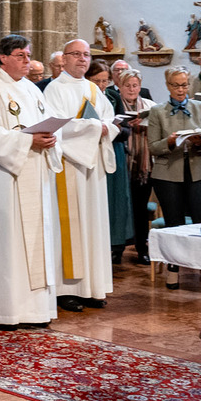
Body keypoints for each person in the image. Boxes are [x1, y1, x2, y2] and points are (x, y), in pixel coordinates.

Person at [0, 34, 63, 328]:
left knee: (35, 244)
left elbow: (49, 121)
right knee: (7, 245)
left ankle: (35, 310)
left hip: (35, 173)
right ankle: (2, 310)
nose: (27, 61)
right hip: (4, 180)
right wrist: (27, 141)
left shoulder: (32, 90)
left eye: (28, 55)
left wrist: (50, 138)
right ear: (3, 58)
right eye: (21, 55)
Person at [44, 39, 119, 312]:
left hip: (92, 165)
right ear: (64, 59)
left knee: (93, 224)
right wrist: (95, 128)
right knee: (70, 226)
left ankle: (92, 288)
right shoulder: (54, 89)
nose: (82, 59)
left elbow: (110, 118)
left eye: (86, 54)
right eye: (76, 54)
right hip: (69, 165)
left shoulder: (92, 88)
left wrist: (105, 128)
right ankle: (67, 290)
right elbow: (57, 126)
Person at [148, 66, 201, 289]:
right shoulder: (157, 111)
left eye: (184, 85)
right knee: (174, 223)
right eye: (176, 85)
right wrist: (169, 142)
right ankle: (173, 269)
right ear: (168, 86)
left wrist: (200, 142)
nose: (181, 89)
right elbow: (153, 147)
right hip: (168, 173)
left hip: (198, 170)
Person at [87, 60, 133, 264]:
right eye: (97, 81)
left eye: (105, 81)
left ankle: (117, 245)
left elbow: (126, 129)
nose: (102, 85)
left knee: (117, 198)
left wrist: (116, 129)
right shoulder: (85, 95)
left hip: (115, 149)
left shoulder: (113, 96)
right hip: (92, 150)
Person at [119, 69, 156, 264]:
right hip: (122, 163)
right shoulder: (114, 105)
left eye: (135, 85)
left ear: (140, 87)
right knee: (121, 208)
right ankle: (117, 249)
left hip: (144, 165)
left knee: (141, 209)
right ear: (120, 87)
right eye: (127, 86)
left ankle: (142, 248)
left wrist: (146, 123)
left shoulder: (150, 106)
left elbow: (158, 128)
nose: (131, 89)